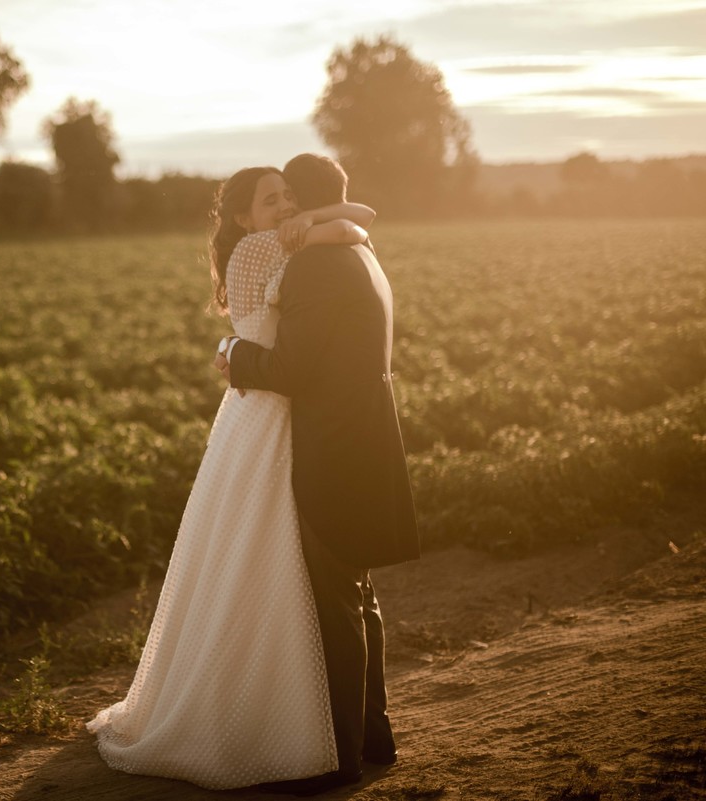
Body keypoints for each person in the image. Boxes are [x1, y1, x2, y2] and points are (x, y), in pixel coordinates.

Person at [87, 165, 374, 790]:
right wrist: (315, 218)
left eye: (289, 197)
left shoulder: (282, 241)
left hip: (272, 403)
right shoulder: (260, 247)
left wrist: (306, 219)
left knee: (271, 554)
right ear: (244, 218)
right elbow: (359, 225)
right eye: (271, 200)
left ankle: (313, 715)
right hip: (269, 409)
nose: (284, 207)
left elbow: (355, 227)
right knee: (259, 550)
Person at [217, 153, 421, 794]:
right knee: (357, 596)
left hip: (330, 451)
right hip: (365, 442)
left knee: (335, 602)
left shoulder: (312, 263)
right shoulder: (363, 255)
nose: (280, 212)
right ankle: (373, 736)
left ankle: (340, 759)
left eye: (286, 200)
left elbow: (291, 372)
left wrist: (232, 354)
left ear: (303, 206)